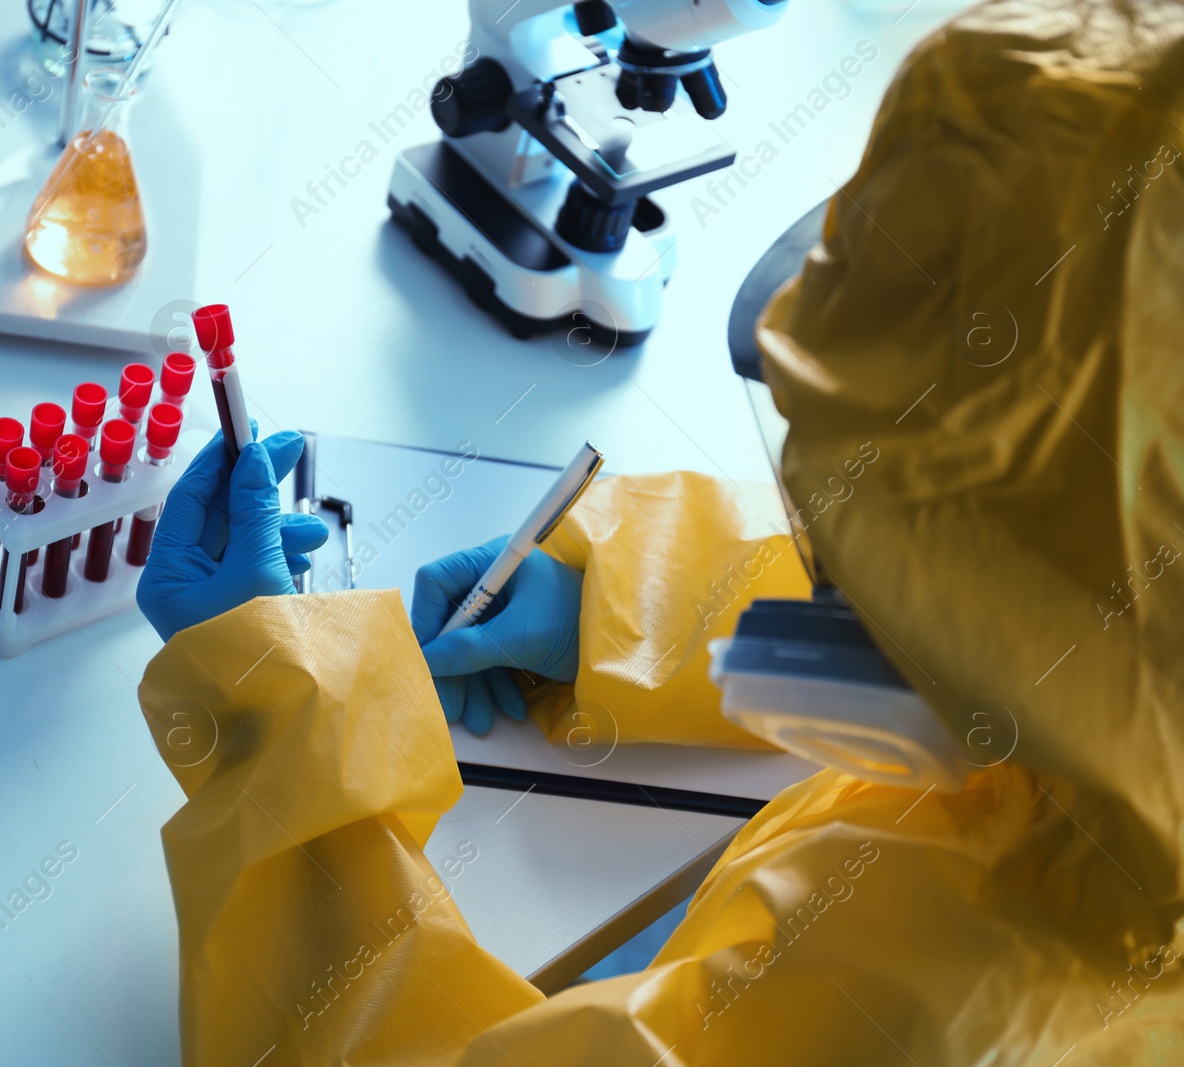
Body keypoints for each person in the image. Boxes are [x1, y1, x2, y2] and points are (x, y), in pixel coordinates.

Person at [132, 1, 1184, 1062]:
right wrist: (621, 603)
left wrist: (270, 706)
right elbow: (1048, 607)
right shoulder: (1110, 709)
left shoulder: (928, 1000)